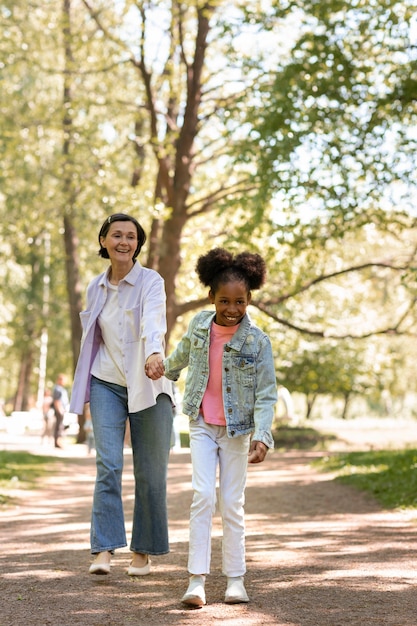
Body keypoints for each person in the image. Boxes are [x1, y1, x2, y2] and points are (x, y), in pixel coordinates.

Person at [147, 248, 277, 607]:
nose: (231, 308)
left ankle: (236, 580)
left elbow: (267, 394)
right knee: (202, 497)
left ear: (249, 298)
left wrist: (263, 435)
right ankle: (196, 581)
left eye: (239, 301)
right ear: (211, 297)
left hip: (237, 431)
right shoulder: (200, 325)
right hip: (202, 423)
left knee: (232, 503)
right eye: (224, 300)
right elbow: (183, 355)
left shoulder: (258, 341)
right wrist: (161, 367)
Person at [69, 212, 174, 576]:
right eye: (117, 235)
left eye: (131, 236)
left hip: (149, 382)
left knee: (150, 472)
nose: (124, 242)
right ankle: (103, 550)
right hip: (106, 381)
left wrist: (154, 352)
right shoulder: (96, 286)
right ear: (104, 241)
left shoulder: (151, 281)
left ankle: (142, 551)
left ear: (138, 243)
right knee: (108, 464)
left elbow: (153, 320)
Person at [52, 374, 69, 449]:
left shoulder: (61, 389)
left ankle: (59, 442)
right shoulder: (57, 389)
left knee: (60, 426)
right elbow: (57, 401)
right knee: (59, 427)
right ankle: (57, 442)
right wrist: (60, 410)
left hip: (62, 409)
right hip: (60, 410)